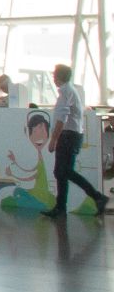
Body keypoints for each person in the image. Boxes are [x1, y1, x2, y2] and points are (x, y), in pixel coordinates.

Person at [44, 63, 109, 218]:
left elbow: (61, 119)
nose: (53, 77)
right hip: (71, 135)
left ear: (58, 77)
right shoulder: (69, 91)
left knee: (64, 171)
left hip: (68, 136)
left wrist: (53, 139)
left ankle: (96, 197)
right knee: (61, 172)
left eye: (54, 75)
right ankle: (61, 207)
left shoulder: (66, 93)